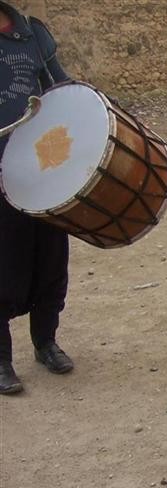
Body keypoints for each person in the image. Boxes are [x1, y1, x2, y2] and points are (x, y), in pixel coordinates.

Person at [0, 1, 73, 395]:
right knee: (3, 267)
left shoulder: (31, 33)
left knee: (51, 262)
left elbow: (61, 89)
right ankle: (1, 359)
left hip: (43, 171)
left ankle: (46, 342)